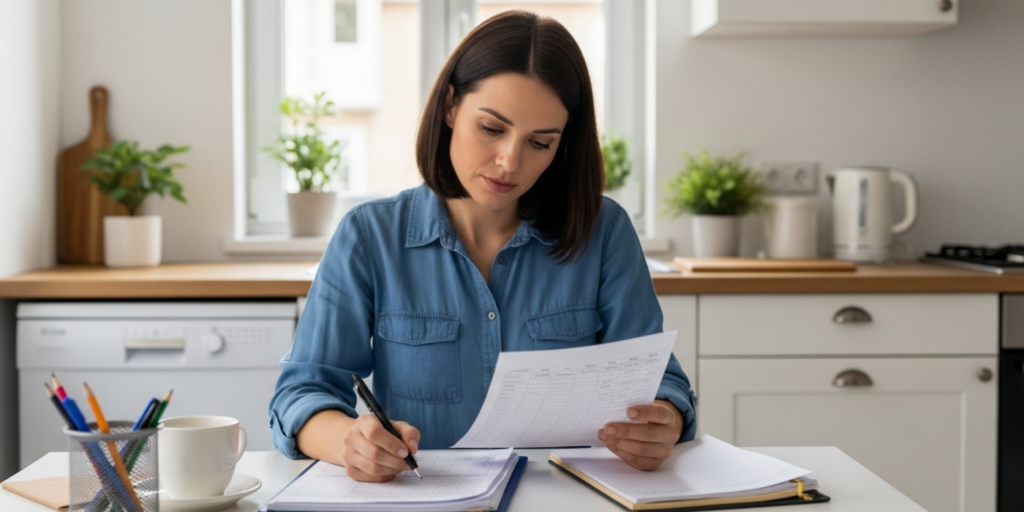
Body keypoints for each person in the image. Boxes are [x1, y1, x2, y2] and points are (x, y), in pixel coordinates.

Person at [269, 10, 696, 483]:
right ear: (451, 106)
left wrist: (665, 421)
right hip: (422, 498)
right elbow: (301, 394)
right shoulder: (369, 237)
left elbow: (660, 382)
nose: (509, 161)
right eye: (492, 129)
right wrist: (350, 443)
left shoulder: (604, 231)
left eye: (540, 142)